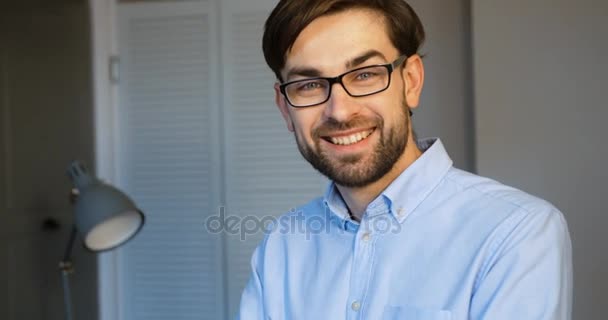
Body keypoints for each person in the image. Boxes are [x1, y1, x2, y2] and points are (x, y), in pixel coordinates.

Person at [237, 0, 572, 319]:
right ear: (285, 108)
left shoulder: (515, 233)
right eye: (309, 84)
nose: (339, 111)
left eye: (365, 74)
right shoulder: (281, 246)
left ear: (410, 81)